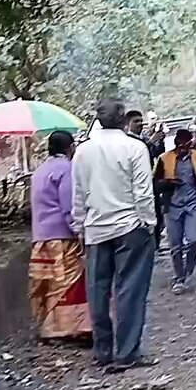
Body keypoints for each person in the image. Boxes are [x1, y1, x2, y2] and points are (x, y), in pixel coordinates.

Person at [72, 98, 158, 373]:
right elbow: (143, 192)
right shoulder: (135, 147)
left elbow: (77, 194)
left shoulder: (82, 152)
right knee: (130, 290)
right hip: (130, 227)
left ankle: (103, 351)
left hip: (96, 230)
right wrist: (149, 223)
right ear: (123, 119)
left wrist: (80, 227)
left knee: (97, 291)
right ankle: (127, 352)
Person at [28, 131, 92, 341]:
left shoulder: (40, 171)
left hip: (41, 236)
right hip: (62, 236)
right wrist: (79, 232)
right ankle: (71, 328)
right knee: (68, 282)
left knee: (50, 283)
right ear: (70, 147)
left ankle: (50, 327)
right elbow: (69, 207)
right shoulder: (67, 169)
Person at [155, 128, 196, 292]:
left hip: (193, 205)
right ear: (175, 143)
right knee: (175, 245)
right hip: (172, 207)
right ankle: (179, 278)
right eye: (180, 143)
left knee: (193, 240)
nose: (183, 147)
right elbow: (154, 184)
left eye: (186, 143)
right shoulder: (164, 159)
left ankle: (188, 270)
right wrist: (168, 183)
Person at [126, 109, 166, 245]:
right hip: (136, 182)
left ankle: (155, 242)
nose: (140, 124)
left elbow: (156, 153)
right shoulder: (128, 141)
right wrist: (150, 142)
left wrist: (159, 141)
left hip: (150, 179)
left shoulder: (142, 138)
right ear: (127, 124)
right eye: (136, 121)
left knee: (157, 213)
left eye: (141, 121)